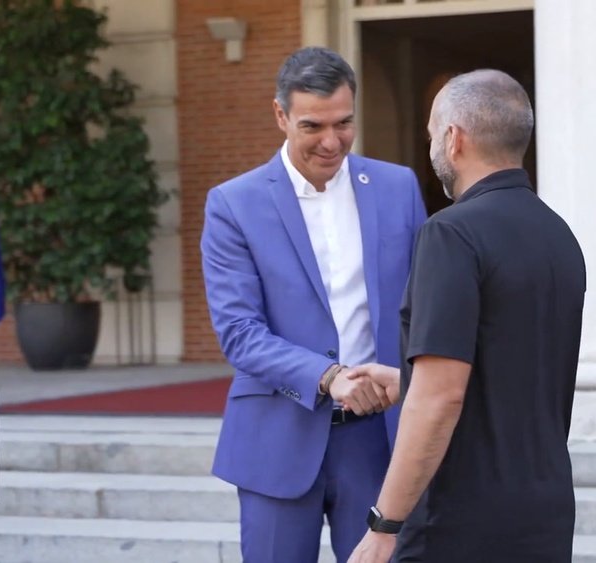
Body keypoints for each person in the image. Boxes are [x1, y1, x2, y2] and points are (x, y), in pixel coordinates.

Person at [348, 69, 587, 562]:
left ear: (454, 139)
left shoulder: (451, 235)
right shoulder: (558, 235)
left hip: (458, 522)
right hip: (545, 513)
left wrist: (384, 525)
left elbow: (440, 398)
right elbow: (515, 366)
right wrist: (406, 380)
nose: (431, 140)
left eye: (434, 130)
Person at [200, 46, 427, 562]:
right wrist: (330, 376)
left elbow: (421, 306)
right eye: (312, 126)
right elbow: (239, 331)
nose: (332, 142)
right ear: (280, 115)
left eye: (344, 123)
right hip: (276, 435)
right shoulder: (234, 203)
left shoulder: (398, 187)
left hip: (378, 439)